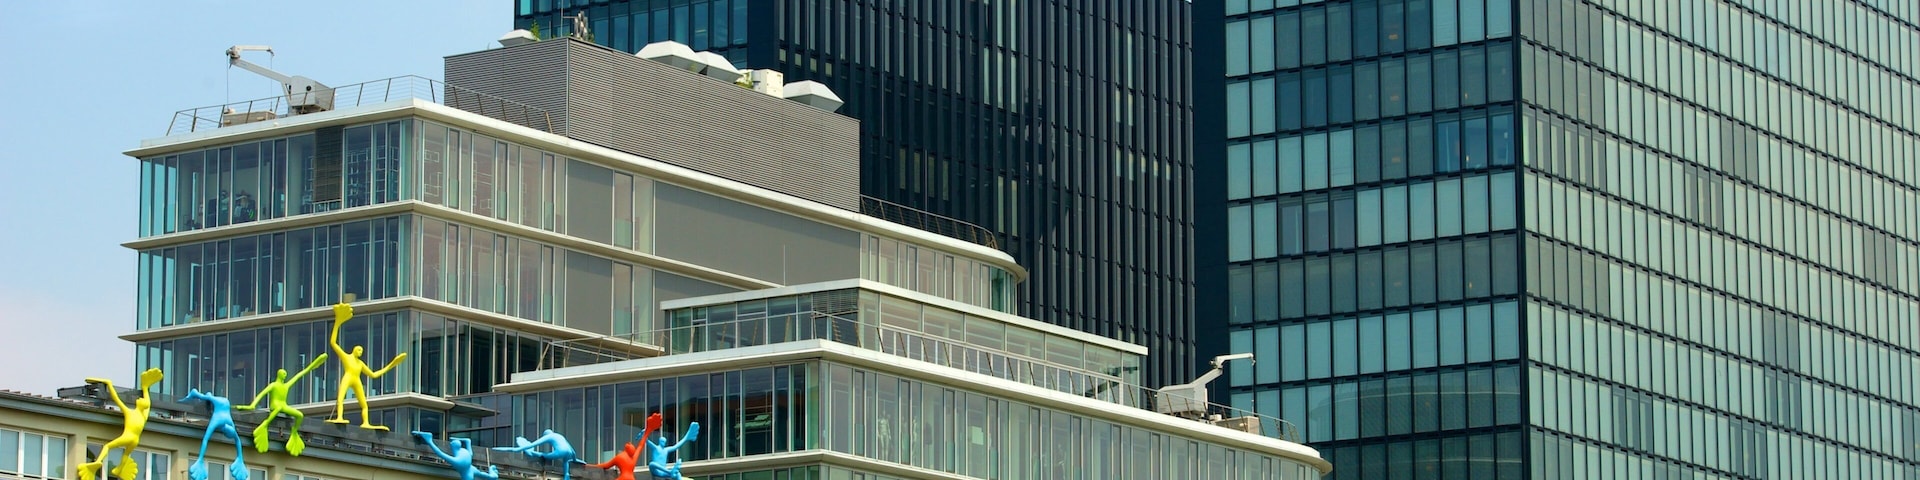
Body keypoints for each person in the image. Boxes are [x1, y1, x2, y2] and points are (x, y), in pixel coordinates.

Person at [326, 302, 408, 430]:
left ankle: (365, 422)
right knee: (340, 398)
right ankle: (339, 417)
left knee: (364, 404)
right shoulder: (346, 357)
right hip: (348, 377)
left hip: (356, 380)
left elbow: (373, 375)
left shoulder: (360, 363)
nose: (360, 352)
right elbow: (333, 343)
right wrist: (337, 323)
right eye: (359, 350)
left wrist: (391, 365)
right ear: (354, 349)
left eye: (362, 351)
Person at [77, 369, 164, 480]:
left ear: (140, 404)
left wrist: (109, 384)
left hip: (128, 437)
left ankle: (98, 462)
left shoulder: (130, 412)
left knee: (107, 446)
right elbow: (148, 403)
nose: (140, 398)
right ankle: (120, 469)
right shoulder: (144, 416)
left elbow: (117, 399)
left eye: (141, 399)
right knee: (126, 454)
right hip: (135, 440)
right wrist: (145, 388)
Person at [236, 355, 328, 455]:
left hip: (283, 406)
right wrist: (252, 405)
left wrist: (312, 366)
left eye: (285, 374)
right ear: (279, 374)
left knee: (300, 415)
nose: (285, 375)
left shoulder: (286, 386)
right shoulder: (273, 385)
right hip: (275, 406)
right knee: (279, 407)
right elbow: (261, 394)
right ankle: (265, 424)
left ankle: (294, 431)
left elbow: (300, 374)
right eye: (283, 374)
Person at [181, 389, 248, 480]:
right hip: (220, 405)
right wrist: (240, 457)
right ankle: (194, 393)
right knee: (206, 397)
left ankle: (203, 395)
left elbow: (237, 440)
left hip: (225, 402)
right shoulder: (218, 421)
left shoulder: (229, 422)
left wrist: (240, 457)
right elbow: (206, 439)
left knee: (209, 397)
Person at [493, 430, 580, 480]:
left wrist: (517, 449)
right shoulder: (560, 436)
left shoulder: (548, 436)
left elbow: (532, 444)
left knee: (543, 455)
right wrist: (576, 460)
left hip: (560, 452)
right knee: (566, 461)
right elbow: (572, 450)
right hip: (569, 453)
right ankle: (566, 474)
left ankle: (533, 453)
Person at [412, 431, 500, 480]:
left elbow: (440, 453)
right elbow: (468, 441)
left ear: (453, 448)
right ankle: (492, 470)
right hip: (471, 468)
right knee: (486, 476)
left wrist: (430, 441)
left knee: (485, 476)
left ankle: (492, 471)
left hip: (467, 471)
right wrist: (457, 439)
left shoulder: (457, 460)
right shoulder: (466, 452)